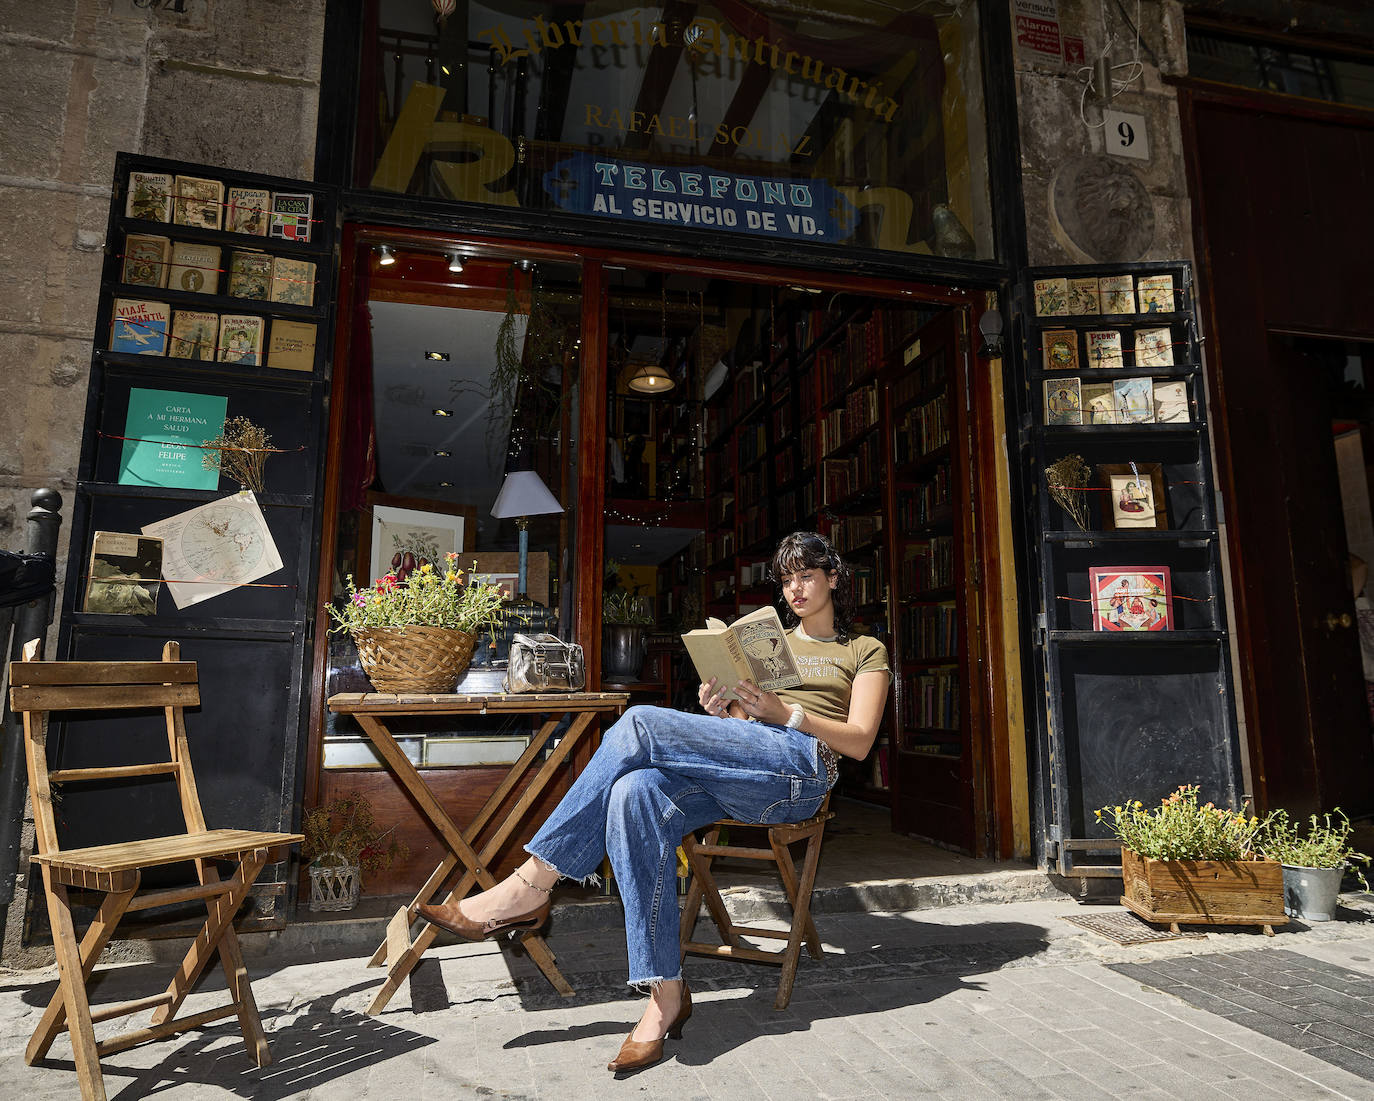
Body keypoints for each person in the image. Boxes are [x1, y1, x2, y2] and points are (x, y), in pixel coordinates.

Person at [418, 531, 890, 1075]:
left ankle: (529, 886)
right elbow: (743, 732)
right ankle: (664, 997)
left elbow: (857, 740)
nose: (796, 589)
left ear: (833, 578)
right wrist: (723, 712)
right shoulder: (770, 646)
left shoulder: (863, 650)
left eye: (807, 575)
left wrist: (788, 715)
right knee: (632, 793)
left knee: (640, 721)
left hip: (800, 773)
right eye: (786, 579)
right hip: (744, 764)